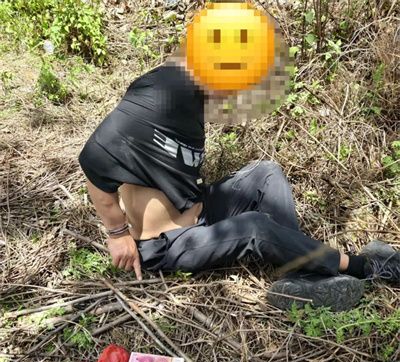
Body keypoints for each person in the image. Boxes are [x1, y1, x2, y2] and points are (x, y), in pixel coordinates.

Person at [78, 58, 399, 311]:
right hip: (167, 244)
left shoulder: (191, 99)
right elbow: (92, 157)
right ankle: (362, 267)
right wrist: (117, 233)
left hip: (199, 210)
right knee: (255, 227)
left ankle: (299, 272)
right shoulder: (161, 93)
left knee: (266, 172)